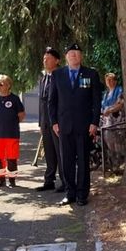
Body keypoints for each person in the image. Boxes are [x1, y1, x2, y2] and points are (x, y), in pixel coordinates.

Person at [48, 43, 102, 207]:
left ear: (81, 56)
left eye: (77, 53)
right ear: (66, 57)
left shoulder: (90, 74)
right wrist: (54, 123)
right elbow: (52, 101)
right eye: (71, 53)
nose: (74, 55)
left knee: (84, 162)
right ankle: (70, 193)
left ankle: (82, 194)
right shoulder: (57, 75)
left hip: (84, 126)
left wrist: (94, 122)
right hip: (64, 126)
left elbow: (96, 101)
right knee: (67, 161)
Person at [37, 46, 65, 192]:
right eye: (44, 58)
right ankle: (49, 180)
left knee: (60, 151)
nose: (45, 61)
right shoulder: (43, 78)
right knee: (49, 151)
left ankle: (65, 181)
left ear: (57, 60)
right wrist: (41, 122)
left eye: (48, 58)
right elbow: (42, 102)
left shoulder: (61, 76)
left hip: (57, 121)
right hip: (45, 122)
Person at [0, 74, 25, 189]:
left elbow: (21, 115)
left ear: (8, 85)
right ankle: (1, 179)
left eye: (1, 84)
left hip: (11, 134)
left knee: (11, 158)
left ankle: (12, 180)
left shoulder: (14, 99)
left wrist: (11, 123)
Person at [99, 72, 126, 172]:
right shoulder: (105, 93)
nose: (109, 82)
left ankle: (121, 164)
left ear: (115, 81)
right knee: (109, 144)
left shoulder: (120, 90)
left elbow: (120, 105)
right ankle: (114, 164)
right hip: (107, 123)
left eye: (111, 80)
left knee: (119, 143)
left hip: (117, 121)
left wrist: (109, 110)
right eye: (107, 80)